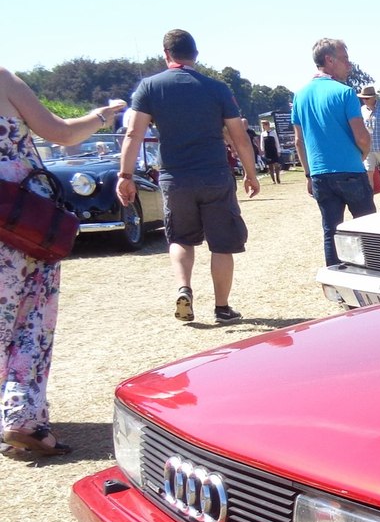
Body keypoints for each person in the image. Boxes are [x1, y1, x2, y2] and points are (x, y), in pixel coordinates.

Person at [0, 71, 124, 459]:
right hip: (21, 222)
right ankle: (23, 417)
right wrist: (102, 116)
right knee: (30, 319)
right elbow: (62, 133)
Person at [118, 29, 259, 325]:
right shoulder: (217, 88)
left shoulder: (149, 87)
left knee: (181, 238)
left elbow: (133, 133)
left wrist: (125, 175)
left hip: (175, 176)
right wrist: (250, 173)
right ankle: (222, 308)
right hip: (214, 174)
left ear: (166, 54)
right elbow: (239, 137)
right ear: (195, 55)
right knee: (222, 243)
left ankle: (184, 289)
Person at [291, 38, 374, 265]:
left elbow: (299, 141)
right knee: (368, 228)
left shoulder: (299, 96)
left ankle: (336, 278)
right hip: (350, 170)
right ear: (329, 60)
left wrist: (308, 174)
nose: (349, 65)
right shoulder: (346, 93)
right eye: (345, 59)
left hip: (319, 173)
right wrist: (364, 153)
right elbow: (361, 136)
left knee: (331, 230)